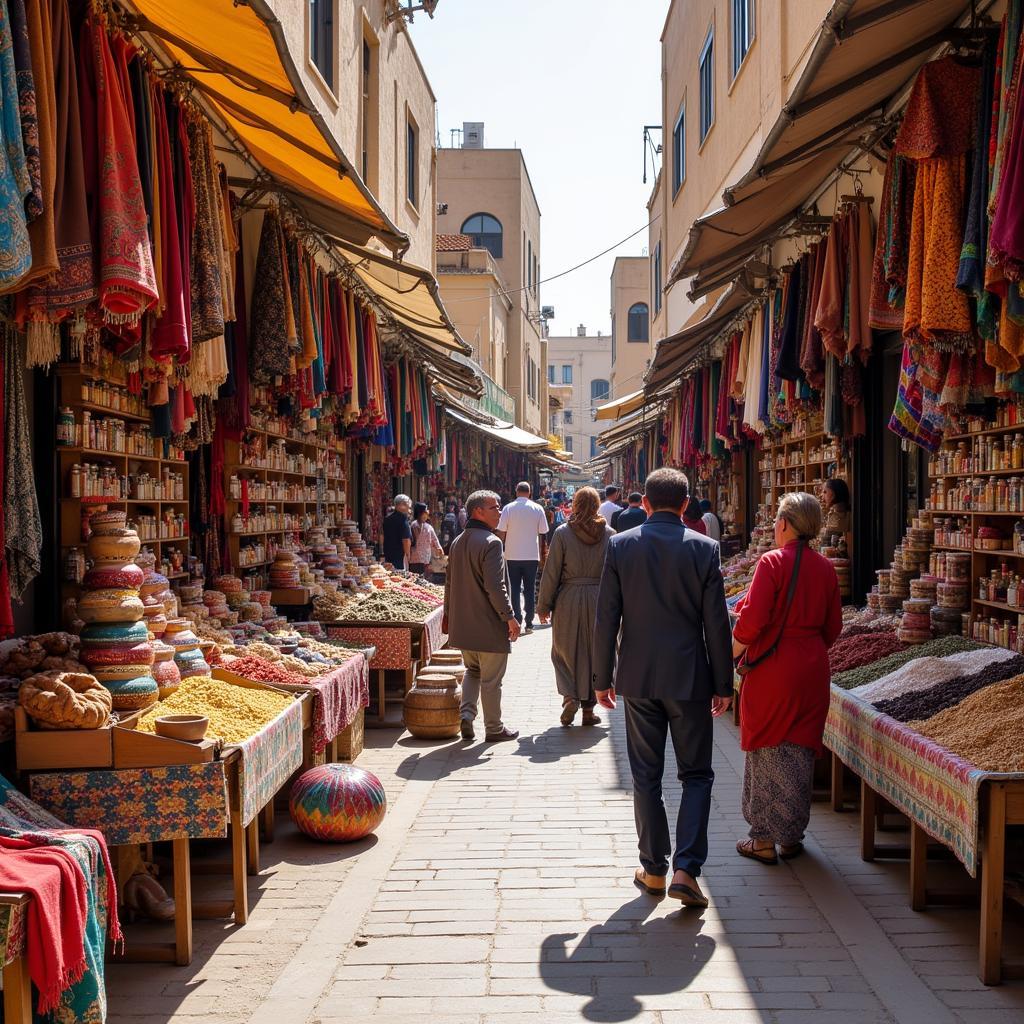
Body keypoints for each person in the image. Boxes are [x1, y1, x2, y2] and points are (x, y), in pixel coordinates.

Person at [593, 467, 733, 907]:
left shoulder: (620, 546)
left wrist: (601, 678)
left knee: (646, 775)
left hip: (637, 676)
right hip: (690, 677)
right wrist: (724, 683)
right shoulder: (705, 549)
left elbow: (606, 618)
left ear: (646, 504)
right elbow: (716, 624)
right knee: (696, 775)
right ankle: (687, 870)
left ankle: (653, 869)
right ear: (686, 504)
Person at [732, 492, 842, 864]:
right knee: (799, 746)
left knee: (767, 746)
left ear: (784, 523)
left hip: (774, 668)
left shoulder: (772, 562)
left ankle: (763, 838)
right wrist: (807, 645)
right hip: (812, 666)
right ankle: (791, 836)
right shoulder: (825, 567)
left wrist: (729, 654)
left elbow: (752, 621)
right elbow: (833, 627)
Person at [442, 490, 521, 742]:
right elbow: (496, 587)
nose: (500, 511)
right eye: (495, 507)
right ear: (478, 511)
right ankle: (494, 728)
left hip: (464, 626)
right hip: (488, 625)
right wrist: (509, 617)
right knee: (491, 680)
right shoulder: (491, 542)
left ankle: (466, 716)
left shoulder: (457, 542)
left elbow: (449, 584)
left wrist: (448, 616)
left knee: (472, 671)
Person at [536, 487, 613, 727]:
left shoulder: (562, 533)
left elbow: (552, 572)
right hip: (600, 599)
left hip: (568, 598)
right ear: (597, 505)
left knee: (564, 651)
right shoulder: (610, 534)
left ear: (576, 504)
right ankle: (588, 712)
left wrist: (543, 605)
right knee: (594, 653)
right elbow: (617, 573)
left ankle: (570, 696)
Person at [496, 482, 549, 635]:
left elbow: (501, 532)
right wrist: (542, 553)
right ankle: (530, 622)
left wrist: (500, 550)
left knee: (513, 589)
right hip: (532, 556)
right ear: (530, 492)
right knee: (529, 589)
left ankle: (517, 619)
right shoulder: (537, 508)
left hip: (511, 555)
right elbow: (543, 533)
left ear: (516, 491)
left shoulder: (508, 508)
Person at [409, 502, 443, 575]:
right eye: (426, 510)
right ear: (421, 512)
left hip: (425, 559)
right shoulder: (414, 525)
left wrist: (439, 548)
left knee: (422, 579)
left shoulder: (428, 527)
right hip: (415, 559)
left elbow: (434, 540)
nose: (428, 512)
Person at [382, 494, 412, 569]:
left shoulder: (387, 519)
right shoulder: (403, 520)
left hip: (388, 554)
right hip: (399, 557)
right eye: (407, 504)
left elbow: (381, 536)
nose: (409, 507)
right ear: (402, 505)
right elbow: (406, 540)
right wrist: (408, 555)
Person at [820, 478, 851, 548]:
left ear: (834, 494)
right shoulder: (838, 512)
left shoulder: (836, 515)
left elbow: (825, 544)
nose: (822, 495)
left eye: (825, 492)